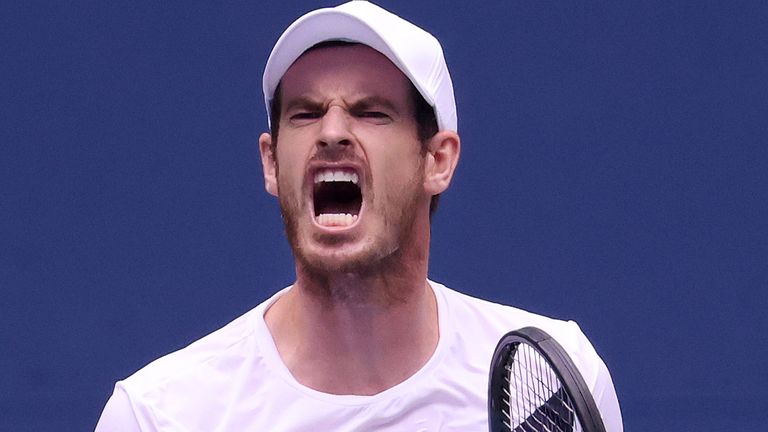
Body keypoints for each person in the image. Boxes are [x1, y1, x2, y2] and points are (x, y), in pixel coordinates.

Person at [95, 2, 622, 430]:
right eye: (305, 113)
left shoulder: (552, 387)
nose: (331, 133)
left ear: (437, 160)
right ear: (272, 162)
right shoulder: (161, 416)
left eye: (371, 112)